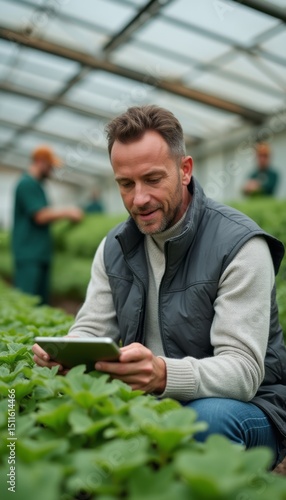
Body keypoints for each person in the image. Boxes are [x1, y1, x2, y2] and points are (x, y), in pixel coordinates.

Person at [33, 106, 286, 467]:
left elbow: (243, 372)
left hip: (250, 405)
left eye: (153, 179)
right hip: (153, 396)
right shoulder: (115, 246)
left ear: (185, 171)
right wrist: (67, 352)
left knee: (204, 423)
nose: (139, 199)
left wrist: (163, 374)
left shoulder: (241, 246)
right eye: (126, 184)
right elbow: (91, 326)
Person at [12, 145, 83, 304]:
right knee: (27, 301)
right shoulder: (26, 184)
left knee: (41, 302)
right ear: (40, 162)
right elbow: (40, 216)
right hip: (29, 254)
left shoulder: (37, 185)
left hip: (39, 253)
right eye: (50, 166)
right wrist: (68, 212)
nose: (52, 170)